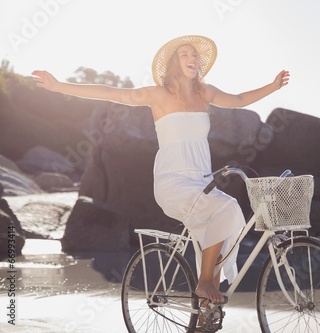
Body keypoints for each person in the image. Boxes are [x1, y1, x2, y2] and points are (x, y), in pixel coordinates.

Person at [32, 35, 289, 305]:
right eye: (185, 55)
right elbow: (111, 93)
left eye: (194, 55)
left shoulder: (205, 93)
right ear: (174, 64)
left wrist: (272, 86)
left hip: (202, 183)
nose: (192, 58)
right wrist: (58, 85)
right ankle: (204, 282)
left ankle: (206, 308)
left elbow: (238, 99)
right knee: (226, 208)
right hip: (173, 183)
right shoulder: (158, 95)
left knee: (229, 212)